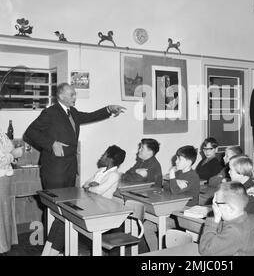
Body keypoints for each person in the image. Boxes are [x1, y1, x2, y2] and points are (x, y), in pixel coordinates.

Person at [23, 82, 126, 256]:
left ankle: (59, 246)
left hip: (69, 168)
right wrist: (50, 144)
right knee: (55, 209)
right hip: (54, 169)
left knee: (67, 209)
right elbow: (30, 133)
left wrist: (108, 109)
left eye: (75, 94)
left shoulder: (73, 113)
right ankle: (51, 247)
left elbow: (91, 115)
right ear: (61, 96)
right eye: (72, 94)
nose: (75, 97)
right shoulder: (50, 112)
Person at [144, 145, 200, 251]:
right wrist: (174, 181)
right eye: (177, 158)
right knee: (147, 226)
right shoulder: (179, 173)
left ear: (188, 162)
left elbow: (174, 190)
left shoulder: (193, 176)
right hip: (173, 210)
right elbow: (165, 186)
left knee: (163, 226)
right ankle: (156, 252)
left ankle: (170, 252)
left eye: (179, 159)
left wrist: (172, 176)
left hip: (185, 215)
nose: (176, 161)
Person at [198, 181, 254, 256]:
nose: (214, 207)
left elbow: (205, 250)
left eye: (216, 203)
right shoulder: (240, 219)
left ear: (229, 208)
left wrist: (213, 219)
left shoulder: (234, 231)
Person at [0, 129, 23, 254]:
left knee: (6, 211)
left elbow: (9, 149)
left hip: (5, 178)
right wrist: (13, 155)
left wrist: (13, 157)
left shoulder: (1, 133)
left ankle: (5, 244)